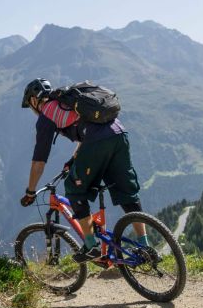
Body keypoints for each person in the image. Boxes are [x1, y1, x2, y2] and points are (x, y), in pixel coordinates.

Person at [19, 78, 151, 263]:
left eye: (30, 105)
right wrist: (73, 160)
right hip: (119, 134)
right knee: (127, 192)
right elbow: (87, 128)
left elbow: (39, 162)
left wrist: (30, 191)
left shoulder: (47, 114)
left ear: (34, 100)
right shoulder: (68, 101)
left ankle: (91, 246)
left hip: (97, 142)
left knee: (74, 189)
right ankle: (145, 246)